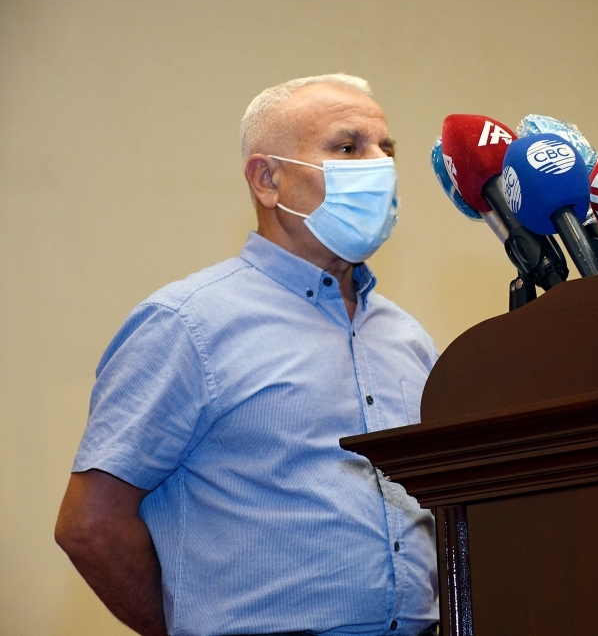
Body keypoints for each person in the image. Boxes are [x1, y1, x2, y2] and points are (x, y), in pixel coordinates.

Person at [55, 74, 440, 636]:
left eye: (387, 148)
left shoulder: (407, 336)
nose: (379, 165)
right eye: (347, 147)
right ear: (267, 179)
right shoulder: (187, 323)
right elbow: (90, 524)